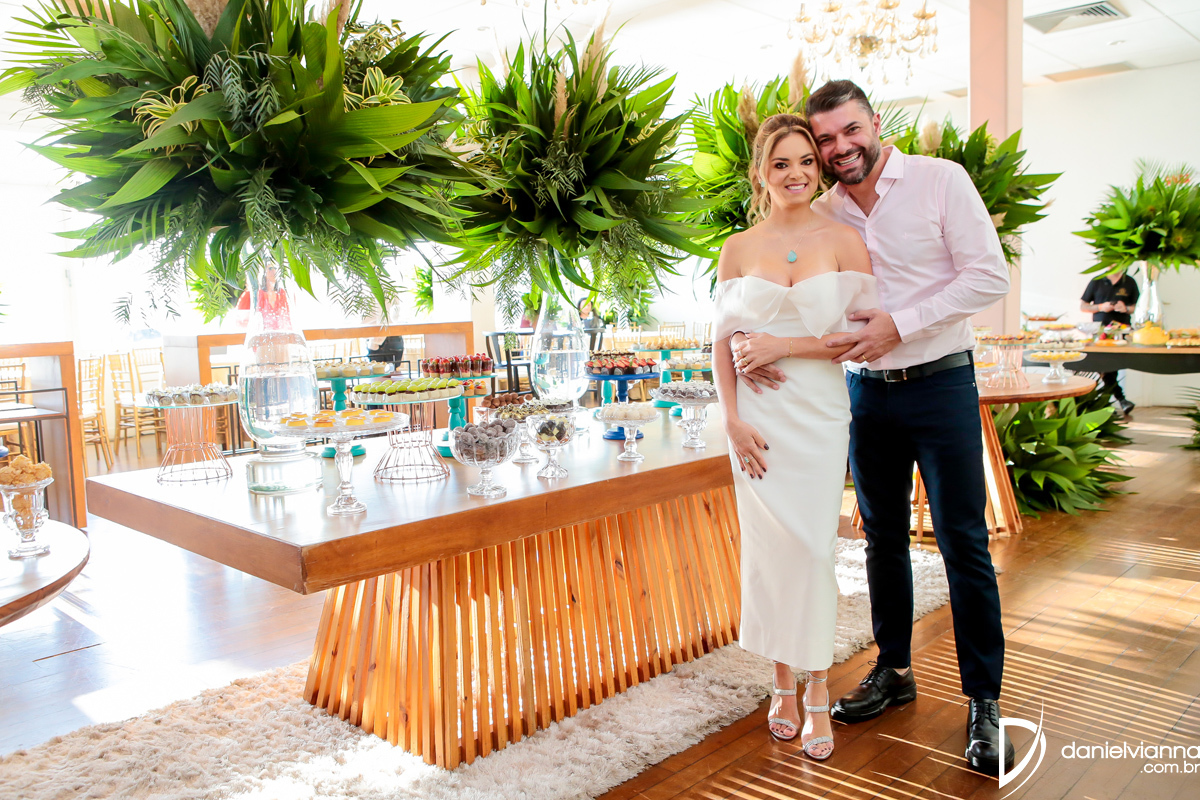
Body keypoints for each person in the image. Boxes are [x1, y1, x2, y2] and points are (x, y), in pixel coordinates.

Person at [735, 81, 1014, 776]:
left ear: (875, 123)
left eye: (849, 131)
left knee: (962, 541)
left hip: (941, 383)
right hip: (863, 394)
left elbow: (989, 276)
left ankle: (984, 702)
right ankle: (894, 670)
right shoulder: (823, 209)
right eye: (825, 139)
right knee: (882, 540)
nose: (839, 148)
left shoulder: (940, 181)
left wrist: (902, 324)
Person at [713, 113, 876, 760]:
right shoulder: (737, 247)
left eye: (806, 160)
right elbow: (721, 343)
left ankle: (818, 687)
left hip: (819, 415)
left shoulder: (843, 240)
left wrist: (782, 345)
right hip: (756, 420)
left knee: (812, 552)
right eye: (781, 163)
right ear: (761, 172)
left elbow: (858, 338)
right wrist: (731, 419)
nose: (797, 173)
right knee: (770, 554)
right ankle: (782, 685)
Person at [1081, 271, 1138, 415]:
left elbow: (1136, 307)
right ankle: (1119, 400)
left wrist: (1125, 308)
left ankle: (1108, 403)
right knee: (1104, 367)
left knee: (1112, 366)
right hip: (1100, 332)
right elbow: (1083, 306)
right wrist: (1101, 307)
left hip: (1122, 332)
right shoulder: (1097, 281)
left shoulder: (1130, 281)